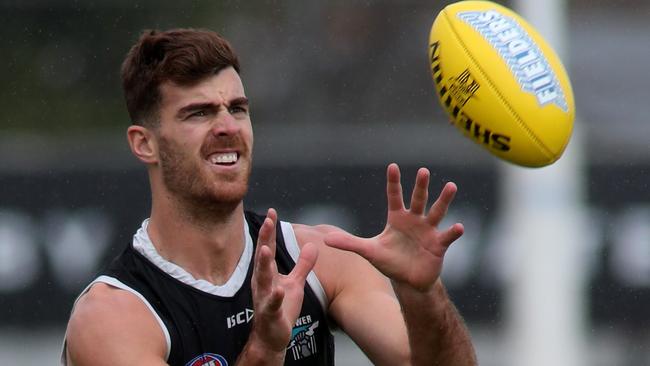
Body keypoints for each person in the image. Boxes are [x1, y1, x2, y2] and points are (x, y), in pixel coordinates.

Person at [62, 28, 477, 366]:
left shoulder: (318, 258)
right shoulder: (114, 318)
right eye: (199, 112)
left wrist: (424, 294)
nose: (228, 126)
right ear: (144, 144)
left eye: (238, 109)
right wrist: (265, 349)